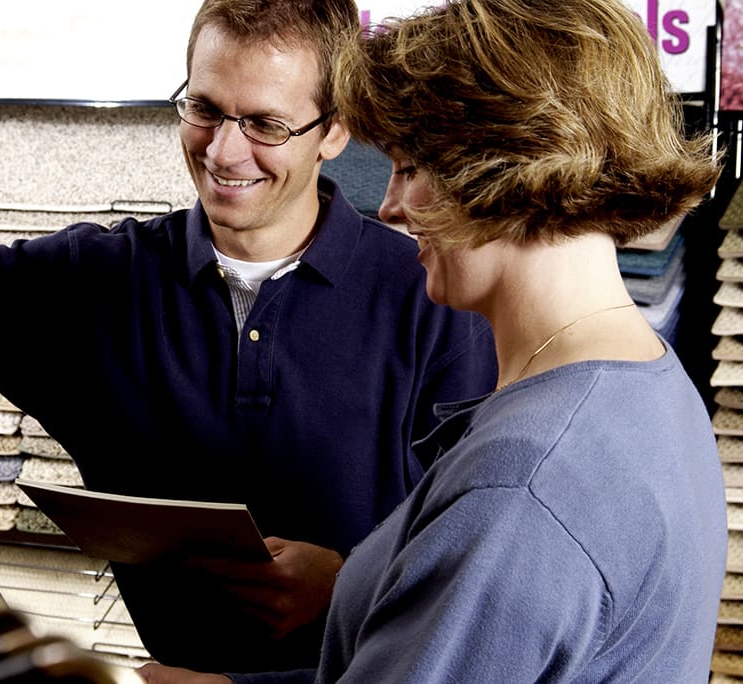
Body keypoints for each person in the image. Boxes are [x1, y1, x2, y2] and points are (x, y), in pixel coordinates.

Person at [0, 0, 498, 677]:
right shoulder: (96, 279)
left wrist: (350, 584)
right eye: (203, 109)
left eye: (265, 124)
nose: (224, 153)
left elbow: (484, 564)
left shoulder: (431, 295)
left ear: (334, 131)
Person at [137, 0, 729, 682]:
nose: (389, 204)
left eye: (412, 166)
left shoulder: (521, 487)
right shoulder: (645, 382)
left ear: (510, 166)